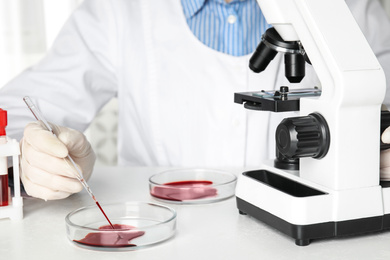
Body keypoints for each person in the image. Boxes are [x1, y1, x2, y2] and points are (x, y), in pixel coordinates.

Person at [1, 0, 390, 200]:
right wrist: (35, 153)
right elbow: (16, 111)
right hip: (159, 234)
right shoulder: (116, 10)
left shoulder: (350, 8)